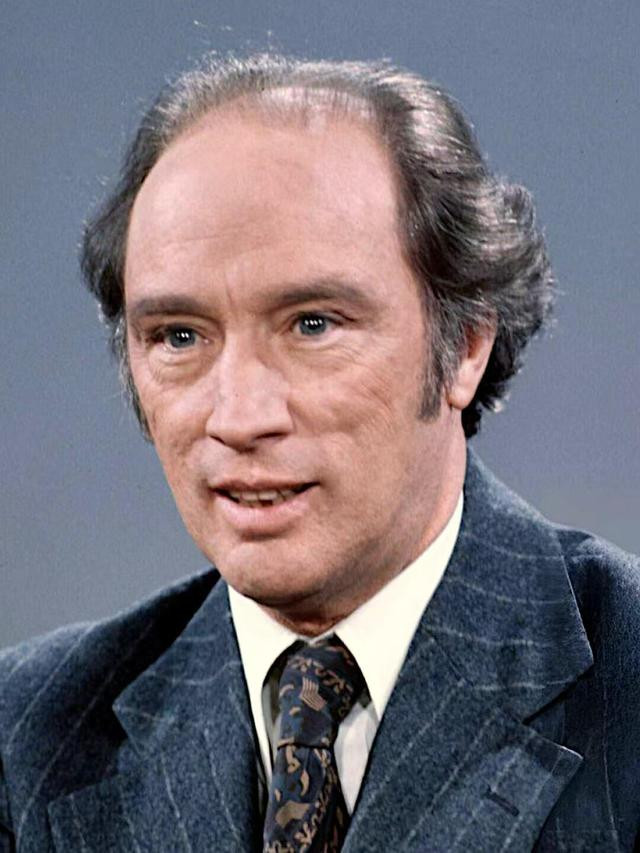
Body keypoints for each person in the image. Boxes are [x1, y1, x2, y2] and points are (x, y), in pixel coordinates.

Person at [1, 53, 638, 853]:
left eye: (313, 324)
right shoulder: (27, 737)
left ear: (466, 345)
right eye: (179, 336)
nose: (239, 416)